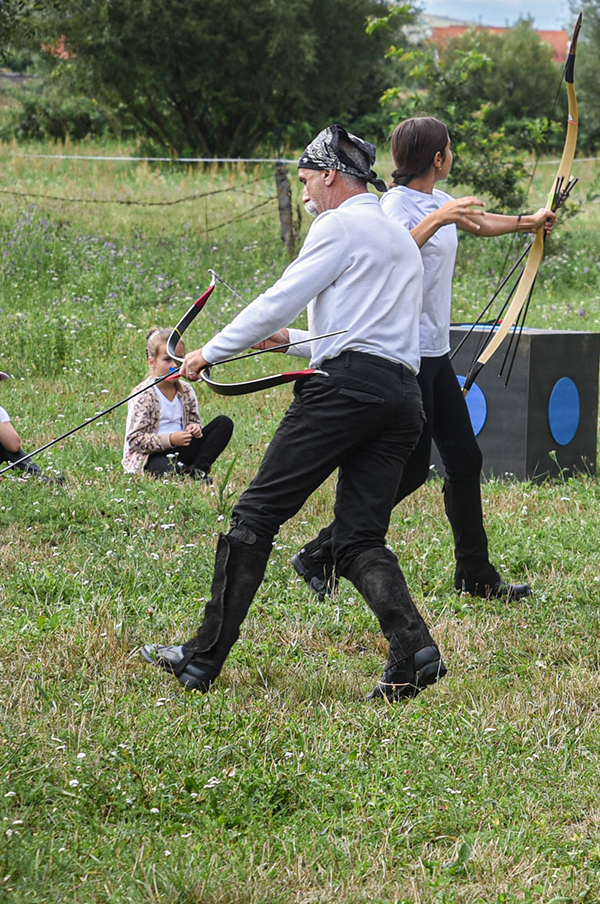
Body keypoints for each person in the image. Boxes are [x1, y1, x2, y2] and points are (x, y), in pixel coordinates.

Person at [138, 123, 448, 701]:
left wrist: (207, 353)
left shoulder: (338, 225)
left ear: (331, 175)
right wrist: (293, 342)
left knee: (254, 516)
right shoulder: (397, 238)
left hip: (343, 392)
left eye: (307, 180)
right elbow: (365, 335)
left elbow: (278, 295)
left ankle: (201, 660)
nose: (305, 193)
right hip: (401, 398)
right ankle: (414, 650)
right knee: (358, 538)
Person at [285, 117, 552, 604]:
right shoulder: (392, 206)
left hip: (434, 352)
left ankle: (474, 573)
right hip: (405, 355)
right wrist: (440, 218)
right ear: (437, 157)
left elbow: (475, 222)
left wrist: (528, 223)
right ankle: (321, 552)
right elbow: (388, 254)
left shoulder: (434, 202)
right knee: (409, 472)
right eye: (449, 148)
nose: (452, 155)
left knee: (465, 460)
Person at [123, 327, 235, 478]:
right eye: (167, 360)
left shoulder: (187, 390)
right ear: (152, 362)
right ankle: (186, 472)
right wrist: (170, 439)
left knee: (224, 423)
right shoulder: (144, 395)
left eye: (179, 359)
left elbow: (194, 421)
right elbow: (135, 440)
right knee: (170, 468)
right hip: (153, 455)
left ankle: (199, 468)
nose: (174, 366)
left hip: (183, 448)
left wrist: (194, 428)